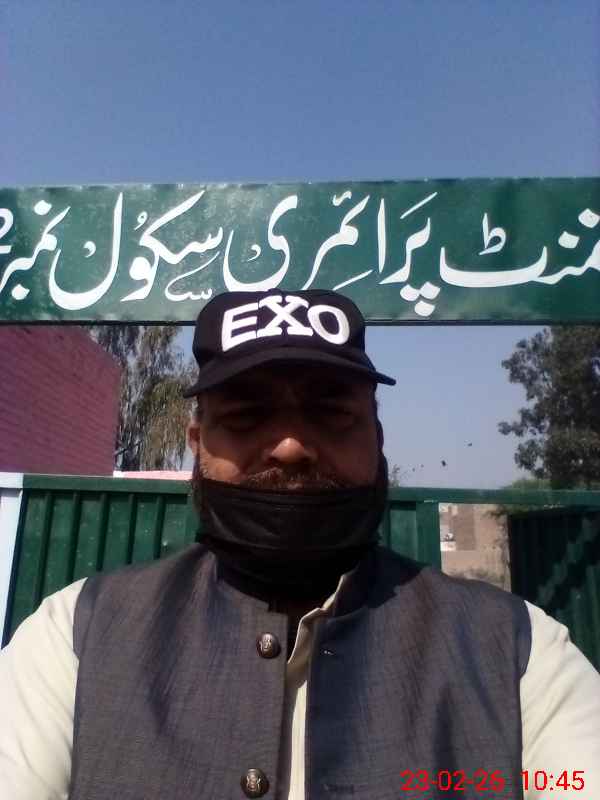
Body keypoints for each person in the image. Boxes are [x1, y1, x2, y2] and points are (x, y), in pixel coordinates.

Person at [1, 289, 599, 800]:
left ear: (377, 437)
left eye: (331, 413)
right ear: (197, 443)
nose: (290, 447)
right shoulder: (74, 638)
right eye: (246, 416)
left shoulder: (520, 656)